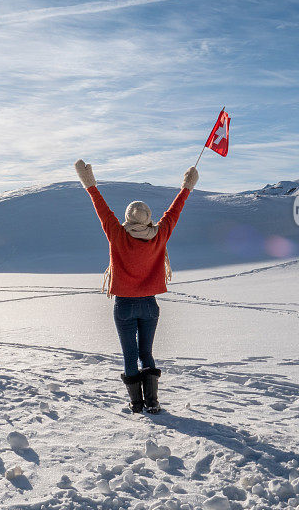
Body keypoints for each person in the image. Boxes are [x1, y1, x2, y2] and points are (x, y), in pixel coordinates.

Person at [74, 159, 199, 413]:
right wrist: (187, 187)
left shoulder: (118, 235)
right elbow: (174, 212)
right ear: (148, 218)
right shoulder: (160, 234)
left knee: (130, 356)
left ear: (127, 218)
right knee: (147, 354)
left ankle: (136, 402)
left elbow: (102, 210)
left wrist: (90, 185)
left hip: (124, 306)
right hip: (150, 306)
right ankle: (152, 402)